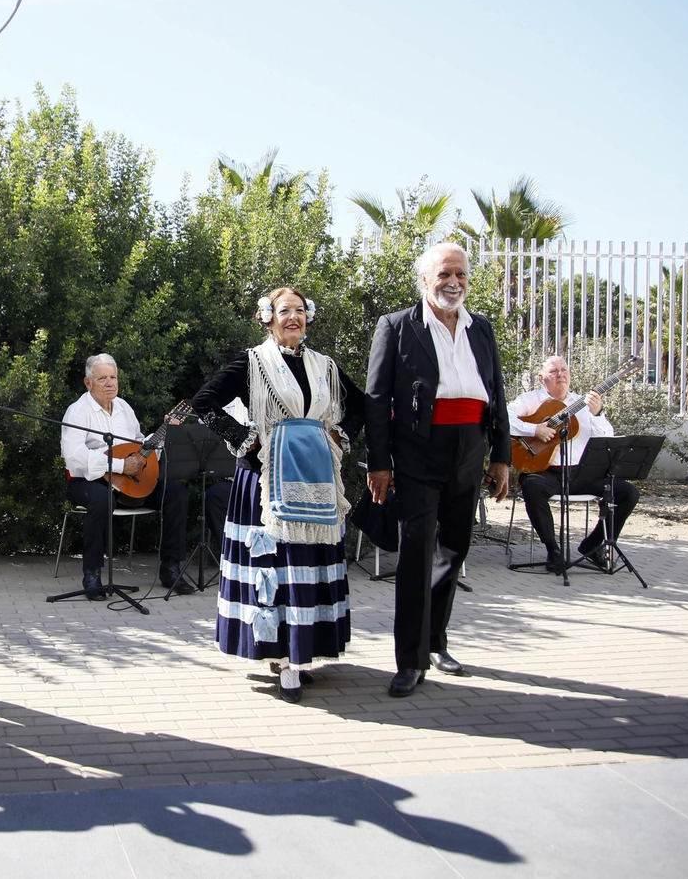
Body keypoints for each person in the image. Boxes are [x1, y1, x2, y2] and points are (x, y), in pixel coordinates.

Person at [187, 288, 364, 702]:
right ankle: (284, 660)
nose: (293, 318)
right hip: (265, 481)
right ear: (267, 317)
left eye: (300, 311)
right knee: (279, 570)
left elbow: (361, 406)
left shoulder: (324, 366)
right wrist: (244, 439)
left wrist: (342, 435)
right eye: (284, 311)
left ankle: (302, 649)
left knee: (308, 563)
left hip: (315, 480)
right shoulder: (252, 362)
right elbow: (203, 402)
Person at [366, 242, 511, 698]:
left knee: (454, 550)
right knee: (414, 557)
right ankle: (409, 661)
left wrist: (502, 456)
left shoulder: (481, 328)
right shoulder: (396, 327)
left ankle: (436, 642)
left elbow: (497, 395)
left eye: (461, 275)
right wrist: (380, 462)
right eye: (445, 274)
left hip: (469, 451)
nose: (454, 283)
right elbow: (375, 400)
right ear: (426, 280)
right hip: (417, 454)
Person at [61, 354, 199, 599]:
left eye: (113, 377)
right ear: (87, 383)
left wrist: (164, 435)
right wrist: (120, 466)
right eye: (102, 378)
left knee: (175, 493)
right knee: (102, 499)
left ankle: (170, 568)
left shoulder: (124, 408)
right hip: (86, 481)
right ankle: (91, 574)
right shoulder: (77, 412)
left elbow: (138, 445)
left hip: (128, 485)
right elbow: (74, 458)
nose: (110, 383)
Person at [511, 355, 640, 571]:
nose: (560, 374)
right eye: (554, 371)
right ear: (542, 377)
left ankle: (592, 544)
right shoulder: (529, 400)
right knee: (531, 485)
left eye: (564, 370)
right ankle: (553, 551)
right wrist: (535, 429)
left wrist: (597, 414)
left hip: (582, 474)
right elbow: (505, 418)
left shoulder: (584, 403)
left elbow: (608, 436)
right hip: (547, 472)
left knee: (628, 492)